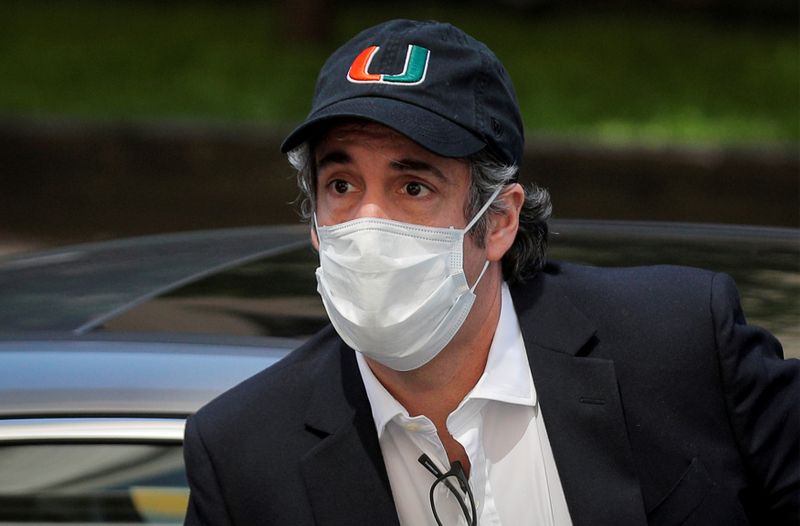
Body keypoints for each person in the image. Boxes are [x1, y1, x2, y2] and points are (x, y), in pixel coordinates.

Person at [183, 19, 799, 526]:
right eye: (340, 185)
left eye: (413, 186)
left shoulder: (679, 343)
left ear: (498, 220)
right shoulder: (244, 455)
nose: (367, 221)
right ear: (314, 223)